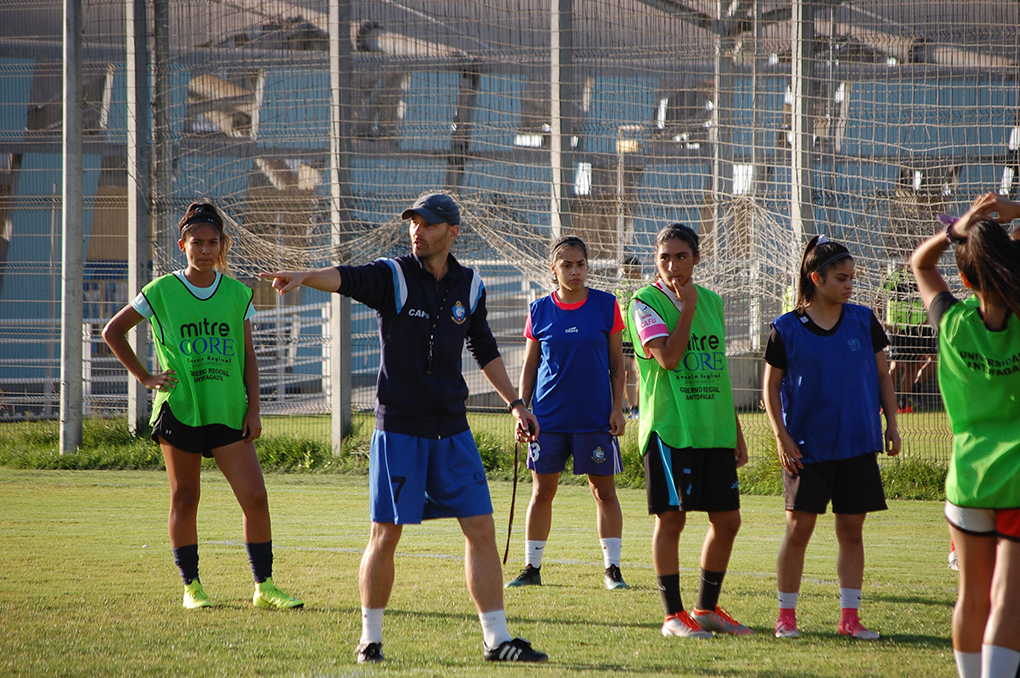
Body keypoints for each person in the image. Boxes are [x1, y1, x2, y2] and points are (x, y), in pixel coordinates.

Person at [260, 193, 548, 665]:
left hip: (452, 430)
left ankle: (497, 641)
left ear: (452, 232)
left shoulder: (470, 285)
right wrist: (306, 276)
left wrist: (516, 403)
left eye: (429, 224)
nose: (418, 230)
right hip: (400, 431)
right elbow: (348, 279)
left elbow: (484, 346)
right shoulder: (393, 275)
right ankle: (369, 640)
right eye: (413, 222)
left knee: (480, 529)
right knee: (385, 534)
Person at [103, 202, 303, 611]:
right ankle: (191, 586)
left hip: (228, 409)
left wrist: (254, 410)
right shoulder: (160, 291)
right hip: (181, 408)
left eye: (213, 242)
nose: (206, 250)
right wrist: (145, 377)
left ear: (223, 245)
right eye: (197, 242)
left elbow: (248, 357)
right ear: (183, 245)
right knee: (185, 497)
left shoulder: (237, 293)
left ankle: (264, 586)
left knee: (255, 497)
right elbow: (113, 331)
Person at [762, 235, 901, 641]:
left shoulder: (863, 320)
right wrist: (781, 436)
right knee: (798, 530)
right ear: (816, 278)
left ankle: (850, 617)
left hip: (858, 444)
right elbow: (770, 389)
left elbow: (881, 376)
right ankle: (786, 615)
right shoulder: (787, 328)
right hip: (807, 449)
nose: (849, 284)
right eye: (841, 277)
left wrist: (891, 424)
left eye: (852, 278)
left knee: (852, 532)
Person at [910, 192, 1020, 678]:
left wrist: (958, 229)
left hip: (967, 479)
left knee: (970, 597)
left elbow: (920, 262)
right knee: (1007, 601)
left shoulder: (951, 324)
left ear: (966, 277)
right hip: (1016, 479)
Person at [627, 223, 752, 639]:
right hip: (671, 430)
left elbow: (716, 372)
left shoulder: (712, 302)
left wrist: (734, 427)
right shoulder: (643, 302)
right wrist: (688, 308)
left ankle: (707, 608)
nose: (673, 265)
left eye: (681, 256)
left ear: (697, 259)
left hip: (712, 429)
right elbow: (670, 360)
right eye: (665, 257)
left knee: (728, 520)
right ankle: (672, 616)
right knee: (672, 519)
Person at [505, 235, 629, 591]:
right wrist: (522, 411)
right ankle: (531, 568)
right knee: (542, 492)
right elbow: (530, 368)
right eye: (567, 265)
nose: (575, 271)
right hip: (548, 420)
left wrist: (617, 408)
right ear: (553, 269)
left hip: (595, 419)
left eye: (581, 264)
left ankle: (612, 569)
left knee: (603, 491)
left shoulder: (607, 305)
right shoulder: (539, 310)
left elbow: (617, 366)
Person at [883, 263, 936, 412]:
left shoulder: (922, 275)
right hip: (898, 328)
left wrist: (926, 321)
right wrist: (884, 321)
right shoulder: (895, 277)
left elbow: (929, 299)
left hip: (917, 328)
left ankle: (904, 401)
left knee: (913, 365)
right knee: (897, 365)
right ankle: (885, 401)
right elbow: (878, 298)